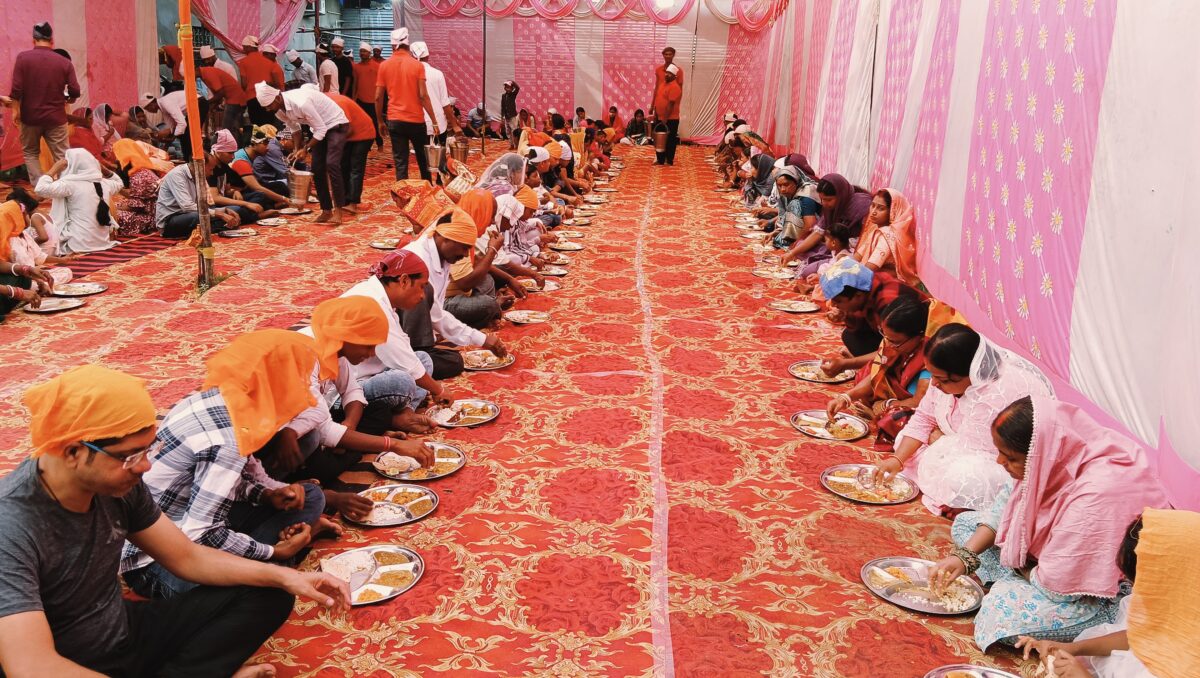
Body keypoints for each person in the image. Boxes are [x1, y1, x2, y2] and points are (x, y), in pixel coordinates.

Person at [0, 365, 350, 677]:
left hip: (119, 630)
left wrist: (287, 576)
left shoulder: (118, 484)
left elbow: (186, 556)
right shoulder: (11, 526)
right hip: (64, 662)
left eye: (147, 450)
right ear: (73, 452)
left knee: (270, 592)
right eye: (130, 456)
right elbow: (31, 666)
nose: (145, 466)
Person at [120, 331, 353, 602]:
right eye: (298, 380)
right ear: (278, 383)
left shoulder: (220, 400)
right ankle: (278, 557)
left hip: (193, 522)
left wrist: (267, 495)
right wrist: (274, 552)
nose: (303, 392)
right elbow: (200, 534)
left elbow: (229, 482)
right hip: (158, 562)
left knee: (311, 496)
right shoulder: (226, 440)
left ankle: (275, 552)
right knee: (260, 596)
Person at [927, 395, 1169, 651]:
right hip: (1048, 560)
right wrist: (964, 557)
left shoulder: (1097, 493)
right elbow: (1005, 505)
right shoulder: (1051, 450)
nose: (999, 462)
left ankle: (1018, 582)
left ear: (1038, 455)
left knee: (998, 616)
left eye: (1009, 457)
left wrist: (1023, 567)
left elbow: (1057, 589)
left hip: (1103, 591)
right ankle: (1016, 579)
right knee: (966, 524)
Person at [874, 323, 1053, 514]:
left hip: (999, 462)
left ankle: (963, 503)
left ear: (972, 373)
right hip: (958, 446)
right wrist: (897, 460)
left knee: (963, 476)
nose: (934, 384)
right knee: (904, 440)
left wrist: (939, 439)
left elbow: (985, 454)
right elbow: (923, 419)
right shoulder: (942, 382)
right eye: (932, 375)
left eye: (943, 380)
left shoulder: (996, 395)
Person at [287, 297, 435, 508]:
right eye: (368, 346)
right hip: (289, 436)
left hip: (322, 420)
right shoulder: (305, 355)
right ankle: (352, 447)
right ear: (347, 337)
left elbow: (352, 391)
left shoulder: (335, 347)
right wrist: (393, 444)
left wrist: (349, 425)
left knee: (380, 413)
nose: (372, 353)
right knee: (319, 457)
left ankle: (355, 442)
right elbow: (324, 430)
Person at [1016, 509, 1200, 678]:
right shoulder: (1185, 604)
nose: (1134, 590)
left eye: (1138, 583)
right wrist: (1072, 647)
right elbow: (1141, 635)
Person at [342, 250, 447, 435]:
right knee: (402, 380)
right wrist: (439, 390)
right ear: (404, 280)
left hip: (372, 373)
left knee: (423, 359)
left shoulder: (381, 297)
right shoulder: (373, 301)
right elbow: (404, 361)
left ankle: (405, 414)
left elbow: (405, 351)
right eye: (421, 287)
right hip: (351, 385)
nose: (423, 295)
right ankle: (396, 417)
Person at [401, 215, 509, 378]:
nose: (465, 255)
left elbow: (437, 313)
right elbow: (436, 314)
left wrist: (481, 339)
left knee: (454, 360)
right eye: (464, 248)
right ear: (443, 238)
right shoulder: (418, 261)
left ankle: (420, 357)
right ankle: (416, 357)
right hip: (396, 339)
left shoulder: (443, 258)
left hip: (417, 330)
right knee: (451, 361)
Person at [826, 297, 931, 448]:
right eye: (884, 335)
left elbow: (920, 403)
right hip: (891, 397)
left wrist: (887, 405)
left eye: (895, 341)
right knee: (867, 371)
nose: (887, 344)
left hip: (912, 406)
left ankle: (878, 417)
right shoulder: (891, 343)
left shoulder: (929, 358)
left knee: (898, 418)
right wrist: (846, 397)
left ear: (919, 336)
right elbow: (877, 374)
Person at [256, 82, 351, 224]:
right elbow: (295, 128)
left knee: (332, 164)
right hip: (318, 128)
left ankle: (338, 210)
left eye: (269, 106)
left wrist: (305, 149)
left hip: (335, 124)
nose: (268, 109)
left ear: (277, 98)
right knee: (316, 169)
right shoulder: (279, 110)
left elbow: (322, 129)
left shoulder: (301, 102)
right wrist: (296, 149)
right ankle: (326, 210)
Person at [4, 22, 79, 184]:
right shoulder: (64, 62)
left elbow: (16, 89)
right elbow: (75, 91)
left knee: (31, 153)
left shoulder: (23, 58)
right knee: (63, 155)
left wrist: (16, 110)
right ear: (52, 40)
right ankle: (66, 190)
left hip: (30, 117)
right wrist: (69, 99)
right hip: (56, 118)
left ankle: (41, 188)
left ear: (34, 40)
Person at [818, 256, 928, 364]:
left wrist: (847, 364)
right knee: (850, 336)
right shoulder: (866, 285)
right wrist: (846, 316)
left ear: (858, 295)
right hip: (893, 336)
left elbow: (894, 348)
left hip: (915, 342)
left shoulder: (888, 303)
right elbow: (858, 323)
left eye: (838, 301)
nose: (834, 305)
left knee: (889, 357)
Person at [377, 28, 439, 181]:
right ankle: (426, 189)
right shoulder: (417, 65)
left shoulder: (384, 65)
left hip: (395, 120)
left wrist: (380, 121)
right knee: (423, 160)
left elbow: (378, 97)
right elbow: (423, 96)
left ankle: (402, 193)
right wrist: (434, 120)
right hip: (416, 120)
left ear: (393, 45)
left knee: (401, 163)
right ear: (408, 44)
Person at [33, 149, 121, 255]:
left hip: (78, 244)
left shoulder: (69, 185)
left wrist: (54, 169)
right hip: (102, 242)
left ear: (72, 165)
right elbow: (119, 183)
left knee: (32, 231)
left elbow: (40, 189)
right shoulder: (105, 183)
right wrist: (104, 170)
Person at [783, 172, 872, 274]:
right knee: (800, 246)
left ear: (841, 195)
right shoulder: (831, 208)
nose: (824, 204)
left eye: (828, 200)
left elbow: (867, 239)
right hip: (834, 247)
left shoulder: (862, 205)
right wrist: (792, 253)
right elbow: (818, 233)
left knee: (810, 269)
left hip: (853, 251)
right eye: (822, 199)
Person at [156, 152, 243, 238]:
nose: (212, 173)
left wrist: (224, 210)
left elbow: (203, 206)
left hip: (191, 213)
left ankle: (216, 226)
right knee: (198, 217)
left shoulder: (198, 175)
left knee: (235, 209)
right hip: (171, 220)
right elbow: (187, 207)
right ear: (199, 166)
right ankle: (216, 227)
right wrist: (220, 214)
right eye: (210, 169)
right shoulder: (177, 175)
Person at [208, 129, 284, 224]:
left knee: (260, 195)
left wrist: (234, 192)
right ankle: (256, 216)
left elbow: (227, 191)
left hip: (226, 199)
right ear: (218, 152)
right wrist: (246, 204)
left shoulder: (223, 165)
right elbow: (215, 198)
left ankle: (258, 212)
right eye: (230, 153)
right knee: (237, 209)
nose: (233, 156)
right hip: (213, 206)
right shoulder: (211, 167)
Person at [856, 187, 921, 287]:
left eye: (881, 208)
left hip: (888, 286)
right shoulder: (875, 229)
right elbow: (857, 257)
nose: (873, 211)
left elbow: (869, 269)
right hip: (875, 278)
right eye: (873, 205)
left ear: (893, 211)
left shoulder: (887, 235)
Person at [412, 41, 458, 178]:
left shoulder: (410, 74)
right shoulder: (437, 74)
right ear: (428, 55)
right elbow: (445, 102)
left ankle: (426, 180)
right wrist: (454, 124)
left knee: (422, 154)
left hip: (418, 120)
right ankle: (440, 178)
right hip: (438, 120)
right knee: (441, 151)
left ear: (413, 56)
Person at [326, 92, 375, 214]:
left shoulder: (338, 103)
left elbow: (349, 129)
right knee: (343, 166)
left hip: (364, 133)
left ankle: (353, 202)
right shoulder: (326, 102)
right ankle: (344, 200)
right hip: (348, 136)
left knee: (355, 168)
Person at [112, 139, 162, 237]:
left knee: (112, 214)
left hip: (151, 219)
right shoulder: (141, 170)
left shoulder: (138, 176)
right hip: (152, 212)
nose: (116, 160)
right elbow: (136, 196)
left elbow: (137, 206)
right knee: (117, 205)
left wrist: (113, 208)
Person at [769, 165, 820, 252]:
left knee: (794, 204)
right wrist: (775, 232)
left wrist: (796, 243)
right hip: (802, 232)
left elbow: (810, 226)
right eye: (779, 186)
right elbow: (785, 218)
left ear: (796, 182)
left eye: (786, 184)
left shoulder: (806, 193)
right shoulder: (788, 195)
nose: (782, 189)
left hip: (816, 233)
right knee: (776, 240)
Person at [199, 46, 248, 137]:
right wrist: (212, 106)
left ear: (213, 56)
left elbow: (233, 87)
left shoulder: (226, 67)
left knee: (231, 128)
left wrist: (214, 103)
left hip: (232, 101)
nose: (206, 62)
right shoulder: (207, 71)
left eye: (208, 59)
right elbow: (212, 90)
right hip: (224, 102)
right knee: (229, 129)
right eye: (204, 60)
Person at [239, 35, 285, 126]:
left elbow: (244, 84)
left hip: (252, 98)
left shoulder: (243, 62)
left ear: (249, 47)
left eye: (244, 47)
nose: (243, 49)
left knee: (257, 127)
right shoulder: (271, 63)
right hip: (268, 98)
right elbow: (276, 83)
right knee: (269, 126)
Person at [142, 89, 193, 160]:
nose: (148, 111)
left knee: (186, 135)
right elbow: (173, 126)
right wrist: (167, 142)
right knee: (184, 135)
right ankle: (188, 159)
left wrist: (173, 136)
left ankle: (189, 160)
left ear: (151, 104)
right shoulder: (163, 107)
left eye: (147, 109)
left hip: (199, 103)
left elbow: (182, 123)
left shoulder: (166, 103)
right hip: (194, 107)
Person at [353, 42, 383, 149]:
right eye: (361, 51)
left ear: (369, 53)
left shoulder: (377, 66)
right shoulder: (356, 67)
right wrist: (353, 98)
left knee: (375, 123)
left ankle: (379, 142)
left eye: (364, 51)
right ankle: (366, 144)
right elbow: (355, 83)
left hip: (373, 100)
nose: (362, 53)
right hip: (360, 99)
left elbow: (381, 84)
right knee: (362, 123)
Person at [652, 65, 682, 165]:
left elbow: (670, 104)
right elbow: (658, 99)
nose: (667, 75)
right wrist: (655, 114)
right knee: (659, 139)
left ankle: (669, 160)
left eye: (670, 74)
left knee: (670, 140)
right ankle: (660, 159)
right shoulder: (662, 84)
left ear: (674, 76)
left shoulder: (675, 87)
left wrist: (665, 118)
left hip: (671, 119)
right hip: (660, 117)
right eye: (666, 73)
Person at [253, 127, 295, 196]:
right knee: (293, 183)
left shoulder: (275, 145)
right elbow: (286, 171)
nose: (294, 145)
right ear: (284, 140)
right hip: (264, 181)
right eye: (293, 142)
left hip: (272, 177)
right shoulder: (273, 148)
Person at [501, 81, 521, 148]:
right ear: (505, 88)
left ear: (512, 88)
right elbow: (503, 107)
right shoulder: (503, 96)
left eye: (509, 87)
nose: (507, 89)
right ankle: (511, 144)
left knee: (514, 130)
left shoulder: (513, 95)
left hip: (512, 115)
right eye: (506, 87)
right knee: (508, 131)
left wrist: (512, 82)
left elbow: (517, 88)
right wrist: (502, 116)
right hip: (506, 116)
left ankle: (516, 144)